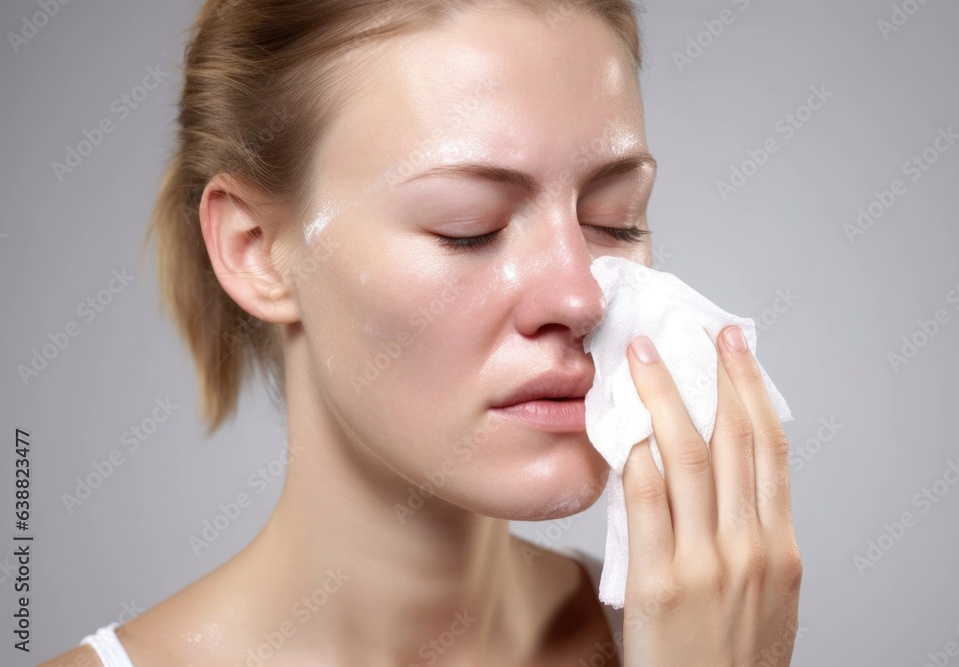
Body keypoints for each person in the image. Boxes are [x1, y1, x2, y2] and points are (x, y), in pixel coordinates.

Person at [40, 1, 802, 665]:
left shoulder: (697, 640)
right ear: (256, 251)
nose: (578, 294)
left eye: (614, 220)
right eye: (469, 228)